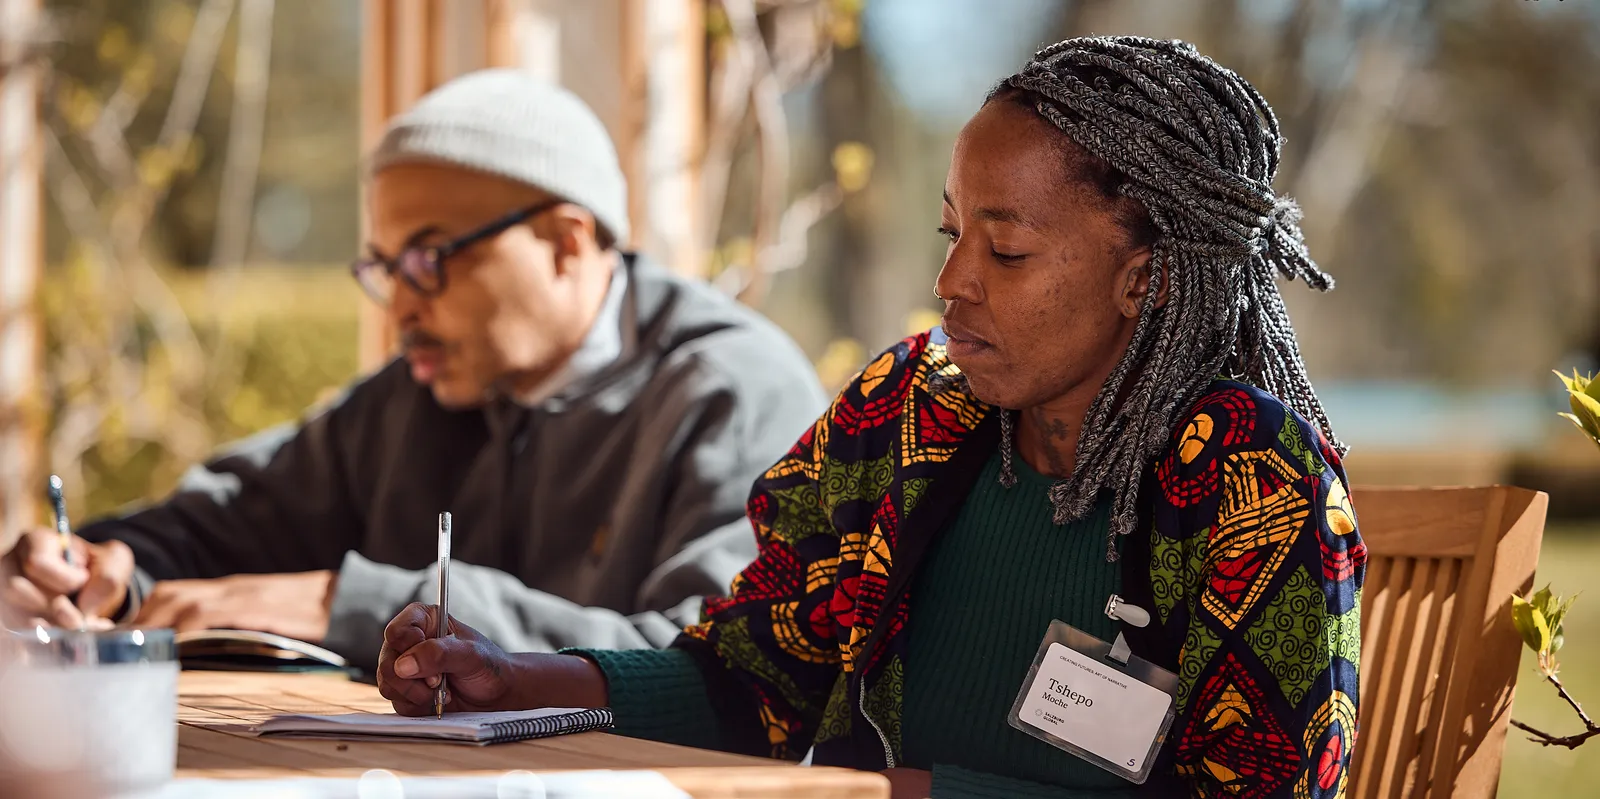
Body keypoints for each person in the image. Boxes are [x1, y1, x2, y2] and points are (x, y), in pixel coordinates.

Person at [376, 37, 1364, 798]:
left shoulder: (1250, 476)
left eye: (1005, 252)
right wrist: (526, 682)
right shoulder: (908, 413)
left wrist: (911, 794)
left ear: (1141, 280)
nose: (950, 283)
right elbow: (753, 678)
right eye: (949, 234)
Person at [0, 69, 827, 672]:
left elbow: (719, 669)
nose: (399, 306)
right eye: (384, 267)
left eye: (429, 258)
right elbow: (224, 520)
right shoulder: (419, 396)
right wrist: (98, 567)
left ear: (567, 243)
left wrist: (347, 606)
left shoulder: (732, 393)